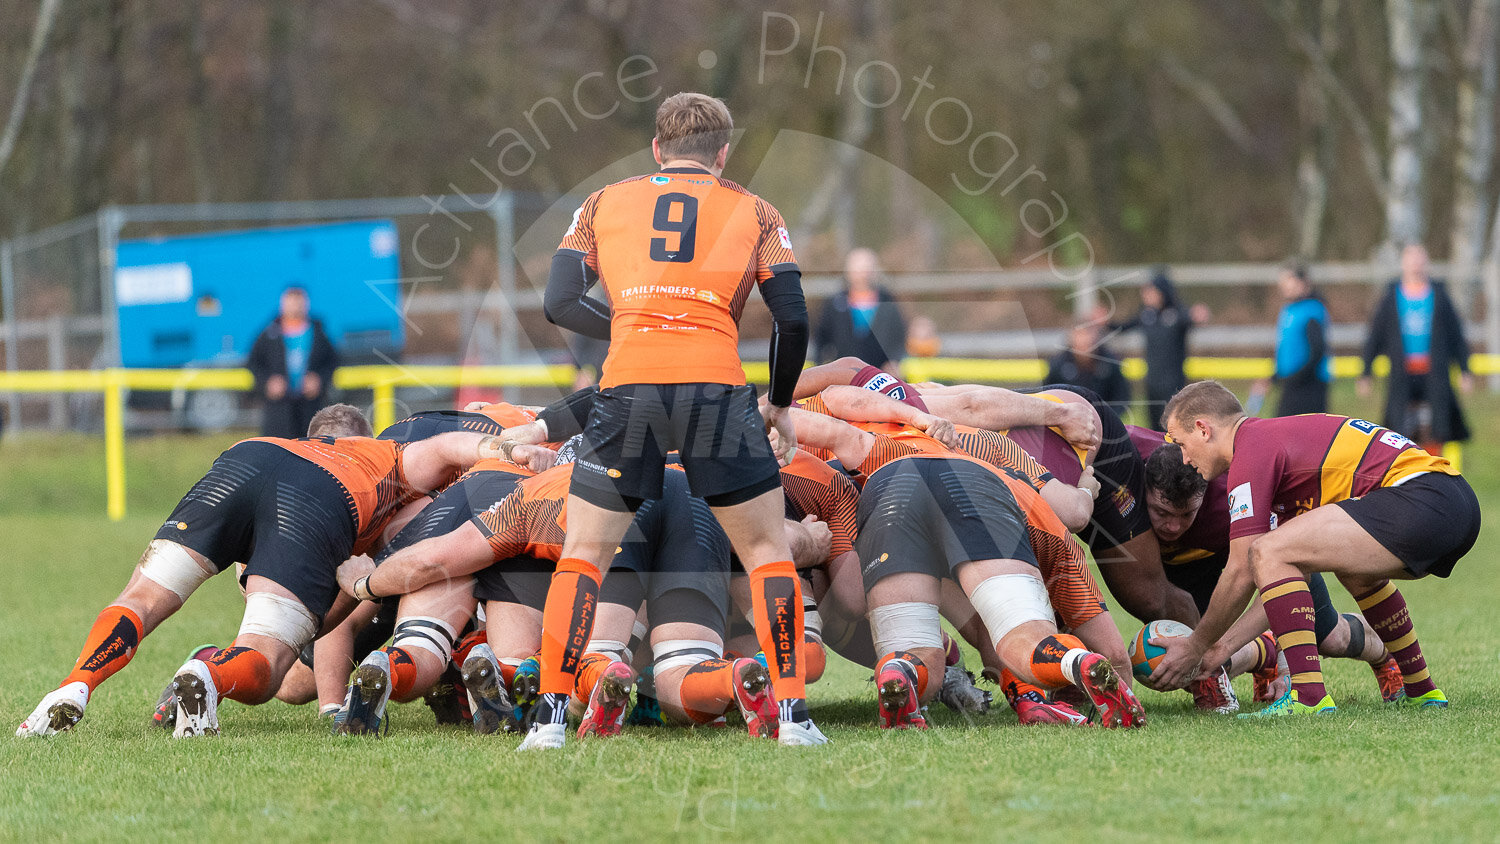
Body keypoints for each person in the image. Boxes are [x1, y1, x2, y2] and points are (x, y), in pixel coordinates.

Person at [537, 92, 822, 748]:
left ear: (657, 148)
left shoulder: (603, 202)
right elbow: (794, 318)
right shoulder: (756, 210)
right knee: (765, 552)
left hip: (628, 387)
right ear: (722, 154)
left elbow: (559, 300)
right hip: (714, 388)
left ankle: (549, 720)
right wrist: (779, 403)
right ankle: (793, 718)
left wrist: (633, 326)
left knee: (584, 555)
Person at [16, 404, 507, 737]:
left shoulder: (298, 444)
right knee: (269, 665)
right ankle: (210, 671)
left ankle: (76, 683)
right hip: (318, 503)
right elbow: (448, 448)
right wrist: (506, 448)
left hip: (247, 456)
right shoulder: (390, 455)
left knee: (141, 597)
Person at [1151, 380, 1478, 716]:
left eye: (1181, 443)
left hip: (1421, 498)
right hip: (1454, 498)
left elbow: (1241, 570)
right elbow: (1287, 581)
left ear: (1203, 429)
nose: (1185, 458)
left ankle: (1308, 697)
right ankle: (1422, 690)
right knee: (1348, 570)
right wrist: (1218, 651)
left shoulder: (1251, 449)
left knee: (1266, 550)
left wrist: (1195, 645)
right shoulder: (1274, 442)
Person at [1131, 425, 1405, 709]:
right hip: (1183, 568)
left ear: (1204, 494)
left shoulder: (1241, 492)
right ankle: (1263, 653)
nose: (1173, 526)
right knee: (1188, 658)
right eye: (1161, 512)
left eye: (1187, 514)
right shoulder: (1125, 462)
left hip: (1243, 559)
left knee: (1331, 638)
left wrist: (1291, 670)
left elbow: (1291, 572)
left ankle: (1385, 654)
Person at [1358, 243, 1473, 455]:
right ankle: (1406, 468)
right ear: (1403, 263)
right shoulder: (1391, 297)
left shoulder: (1439, 295)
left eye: (1420, 259)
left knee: (1435, 426)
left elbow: (1455, 335)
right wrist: (1366, 373)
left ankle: (1434, 467)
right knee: (1400, 428)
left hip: (1434, 374)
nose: (1416, 264)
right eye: (1411, 259)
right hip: (1402, 375)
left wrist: (1465, 370)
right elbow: (1375, 336)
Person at [1109, 268, 1208, 429]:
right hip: (1151, 382)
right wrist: (1105, 322)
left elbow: (1192, 318)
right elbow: (1124, 327)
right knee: (1153, 426)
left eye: (1150, 291)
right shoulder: (1146, 315)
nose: (1146, 295)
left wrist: (1199, 316)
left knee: (1173, 425)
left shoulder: (1176, 314)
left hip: (1173, 383)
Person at [247, 286, 338, 438]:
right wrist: (268, 383)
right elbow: (253, 363)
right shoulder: (270, 333)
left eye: (299, 302)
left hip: (310, 408)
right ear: (282, 305)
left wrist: (319, 380)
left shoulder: (318, 332)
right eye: (291, 302)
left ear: (306, 304)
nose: (295, 307)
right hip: (279, 410)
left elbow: (332, 362)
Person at [1252, 261, 1331, 416]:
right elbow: (1286, 352)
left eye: (1289, 279)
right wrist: (1273, 378)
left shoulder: (1312, 309)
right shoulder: (1289, 310)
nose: (1283, 285)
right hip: (1291, 383)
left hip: (1308, 386)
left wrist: (1295, 378)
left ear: (1302, 282)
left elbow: (1317, 351)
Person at [813, 248, 907, 372]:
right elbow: (821, 338)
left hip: (880, 373)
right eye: (859, 270)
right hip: (844, 373)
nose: (863, 275)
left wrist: (894, 361)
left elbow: (899, 337)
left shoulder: (888, 302)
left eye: (867, 269)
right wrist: (823, 365)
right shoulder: (834, 304)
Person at [1044, 323, 1130, 419]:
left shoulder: (1110, 362)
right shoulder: (1058, 365)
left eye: (1087, 336)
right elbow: (1048, 397)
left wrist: (1107, 420)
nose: (1084, 341)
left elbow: (1121, 397)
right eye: (1079, 336)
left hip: (1104, 421)